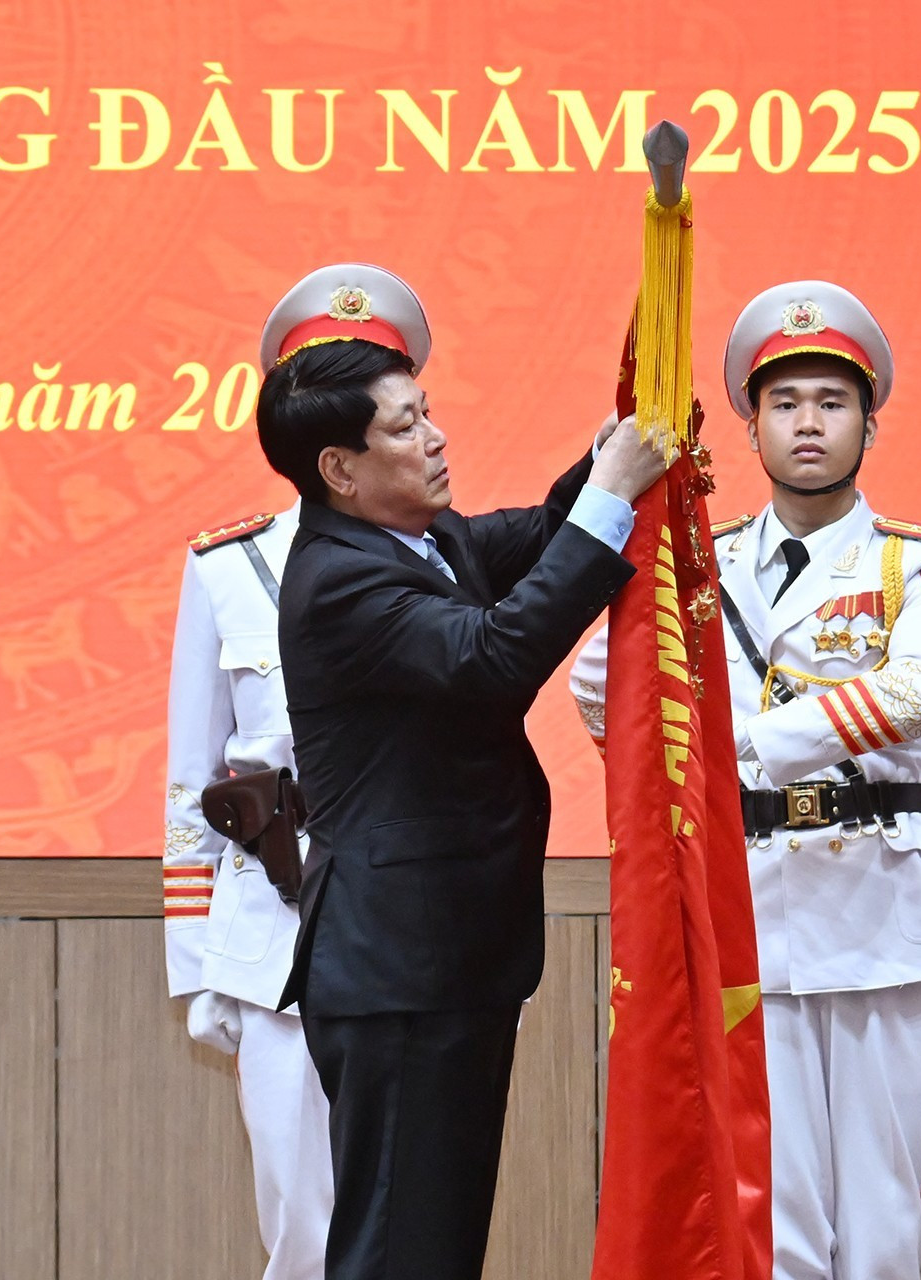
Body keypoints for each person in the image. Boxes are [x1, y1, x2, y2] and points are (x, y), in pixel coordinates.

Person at [571, 280, 921, 1280]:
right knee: (779, 1216)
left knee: (882, 1217)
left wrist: (737, 747)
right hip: (754, 908)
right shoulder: (700, 560)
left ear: (870, 423)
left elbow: (918, 689)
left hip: (887, 908)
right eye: (788, 402)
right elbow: (606, 681)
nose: (810, 422)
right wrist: (670, 776)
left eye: (833, 401)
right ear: (752, 426)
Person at [255, 262, 669, 1280]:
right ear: (340, 470)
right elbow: (492, 660)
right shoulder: (338, 579)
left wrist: (611, 451)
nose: (435, 438)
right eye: (404, 427)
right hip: (398, 969)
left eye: (427, 412)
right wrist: (610, 501)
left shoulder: (422, 539)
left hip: (446, 962)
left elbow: (533, 538)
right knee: (400, 1248)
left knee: (433, 1246)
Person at [163, 499, 331, 1279]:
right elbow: (194, 784)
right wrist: (199, 964)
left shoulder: (439, 554)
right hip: (277, 929)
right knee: (301, 1220)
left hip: (411, 920)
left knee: (416, 1211)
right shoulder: (229, 566)